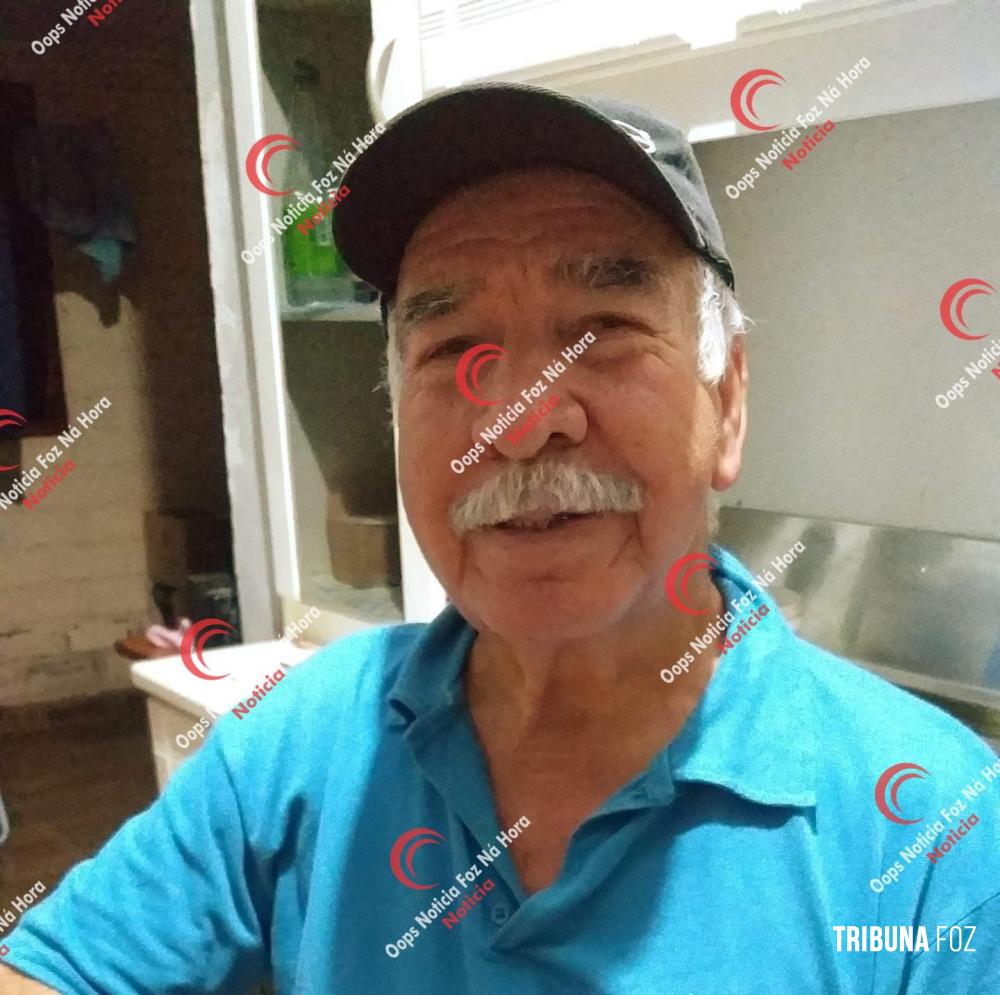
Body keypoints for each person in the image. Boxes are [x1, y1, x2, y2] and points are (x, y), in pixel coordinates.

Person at [2, 83, 998, 995]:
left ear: (727, 400)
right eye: (453, 349)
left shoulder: (932, 834)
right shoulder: (304, 739)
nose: (520, 421)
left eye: (601, 329)